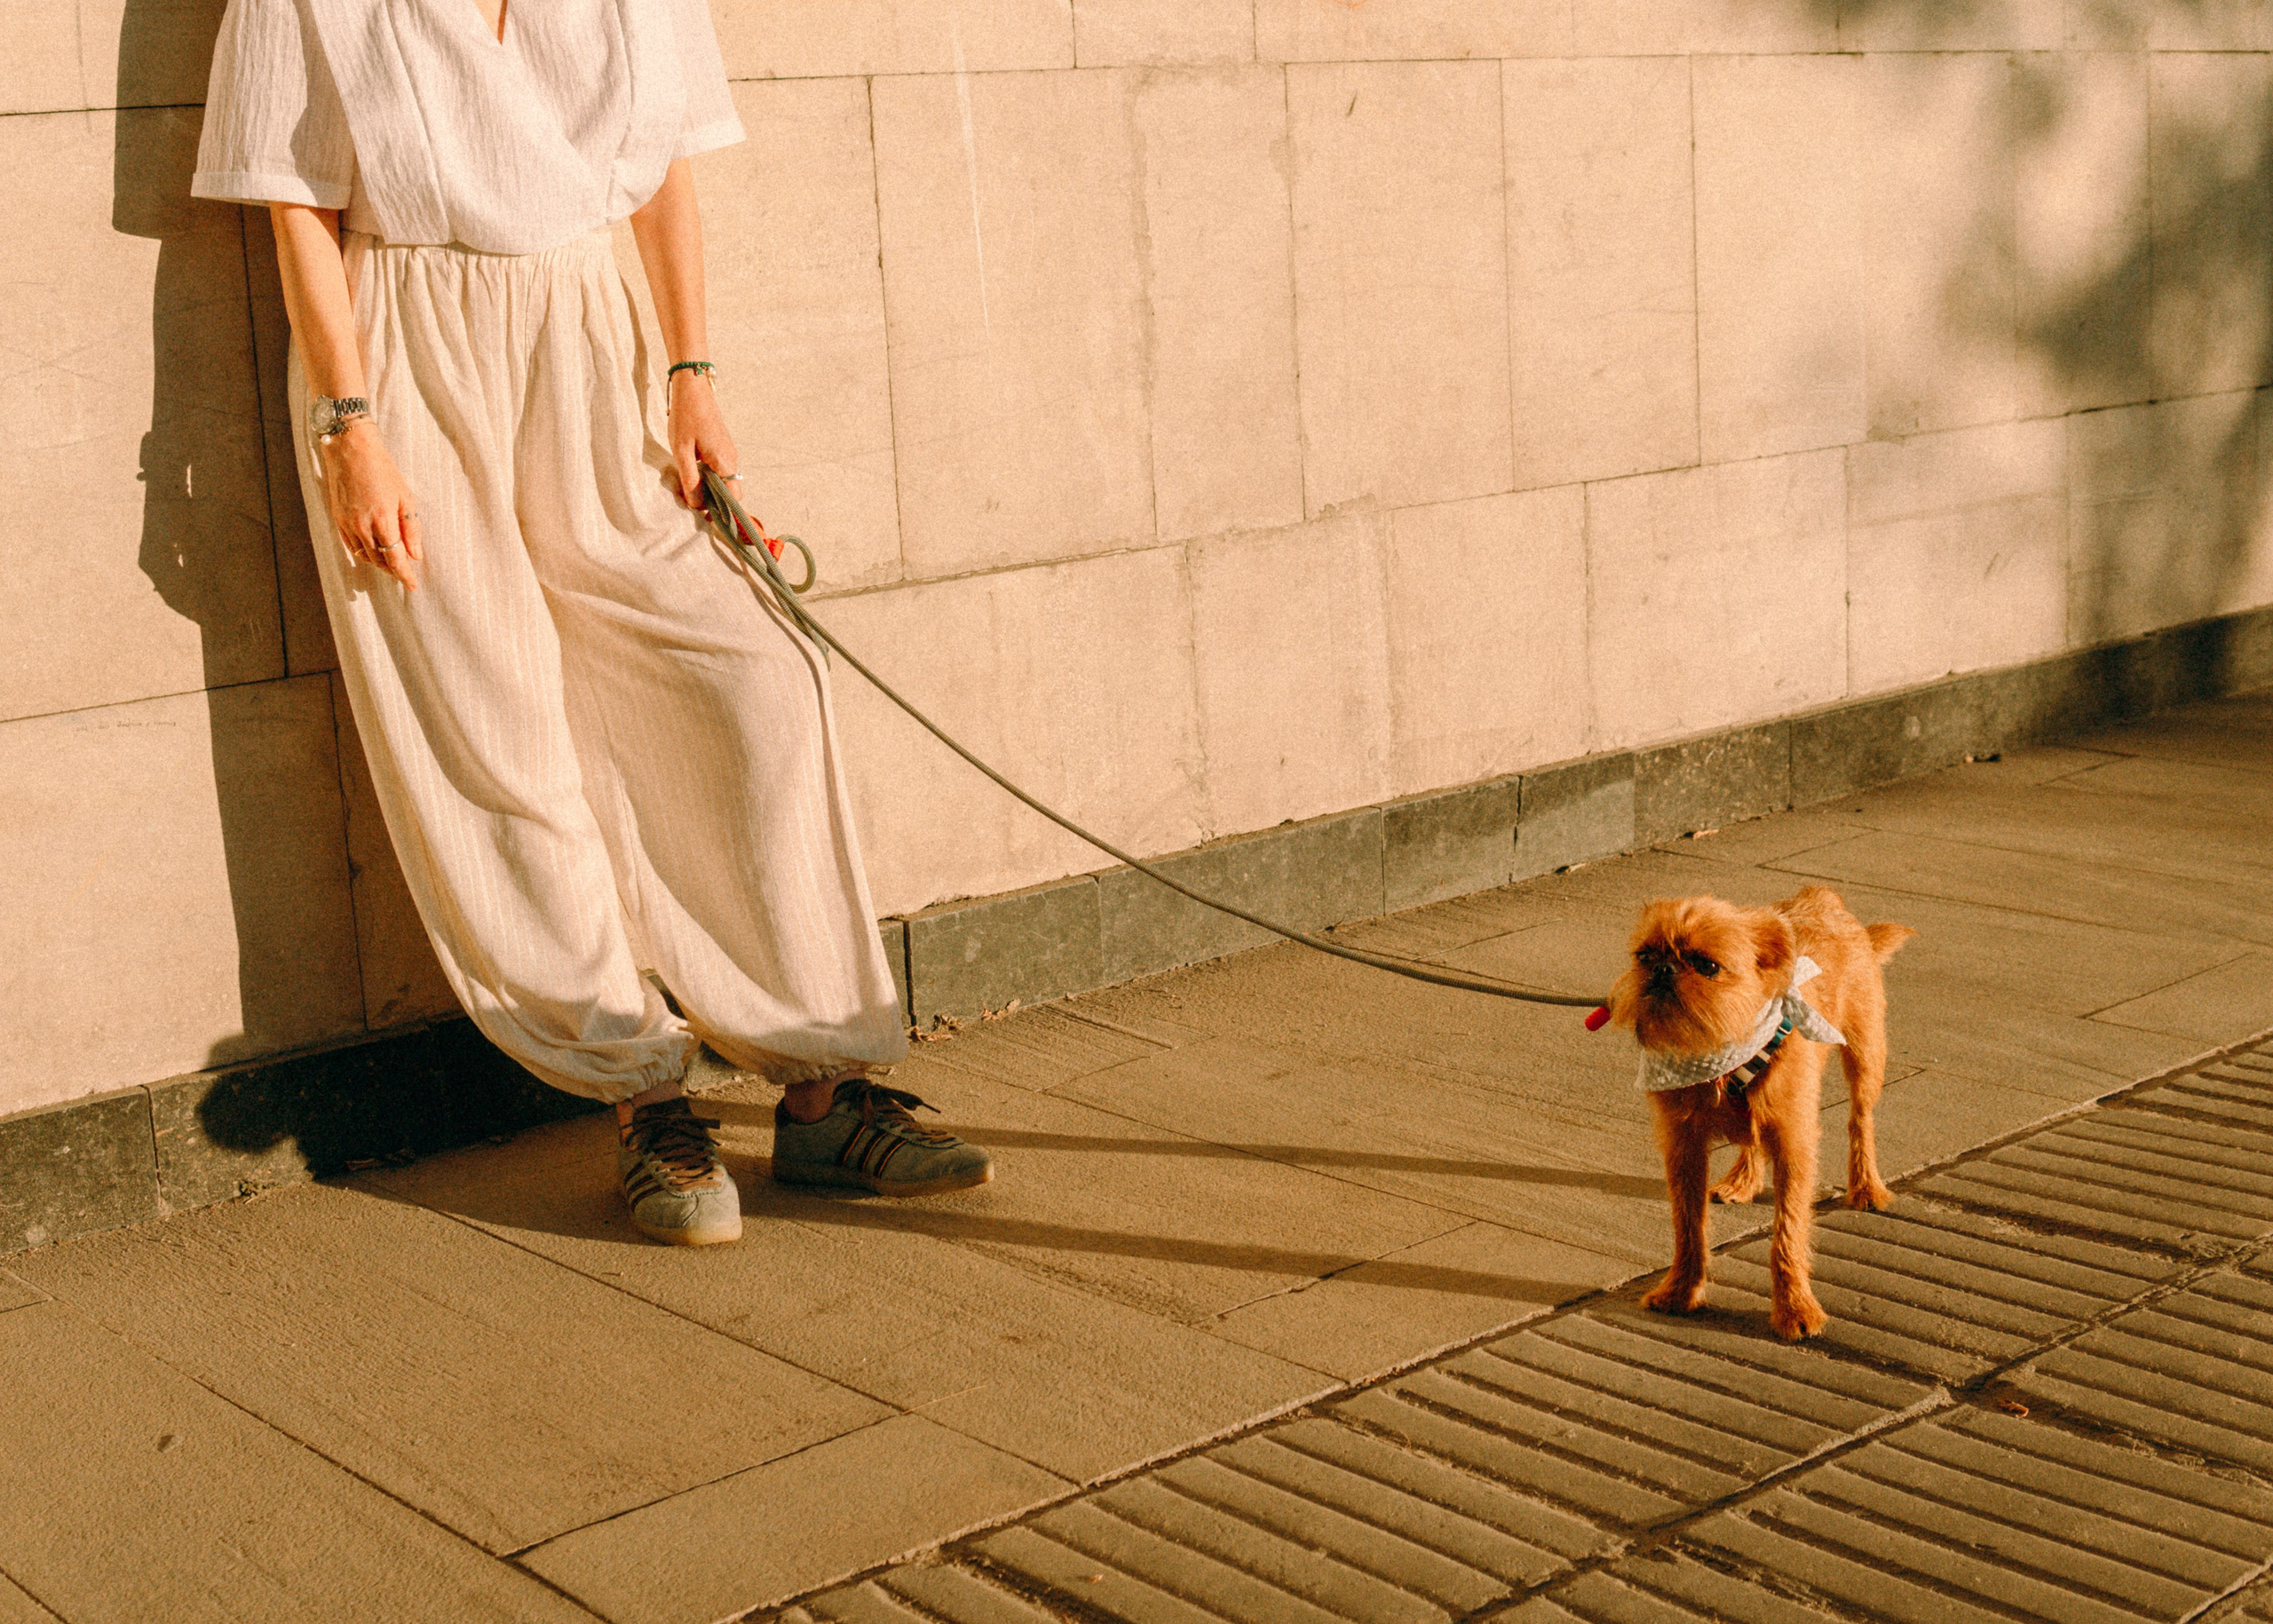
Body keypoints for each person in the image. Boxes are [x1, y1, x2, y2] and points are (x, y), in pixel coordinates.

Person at [190, 0, 993, 1246]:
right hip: (404, 344)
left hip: (590, 331)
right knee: (497, 721)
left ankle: (823, 1087)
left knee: (756, 681)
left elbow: (662, 167)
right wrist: (350, 426)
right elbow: (295, 198)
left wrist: (692, 375)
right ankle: (644, 1098)